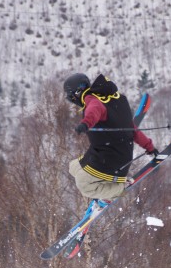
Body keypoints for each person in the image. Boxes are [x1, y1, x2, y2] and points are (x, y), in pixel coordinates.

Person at [63, 73, 158, 209]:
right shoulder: (114, 98)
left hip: (111, 158)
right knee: (73, 167)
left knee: (83, 184)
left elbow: (95, 110)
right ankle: (106, 188)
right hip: (107, 151)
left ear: (76, 95)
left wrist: (86, 123)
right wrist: (149, 147)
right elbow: (132, 129)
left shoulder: (92, 100)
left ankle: (116, 190)